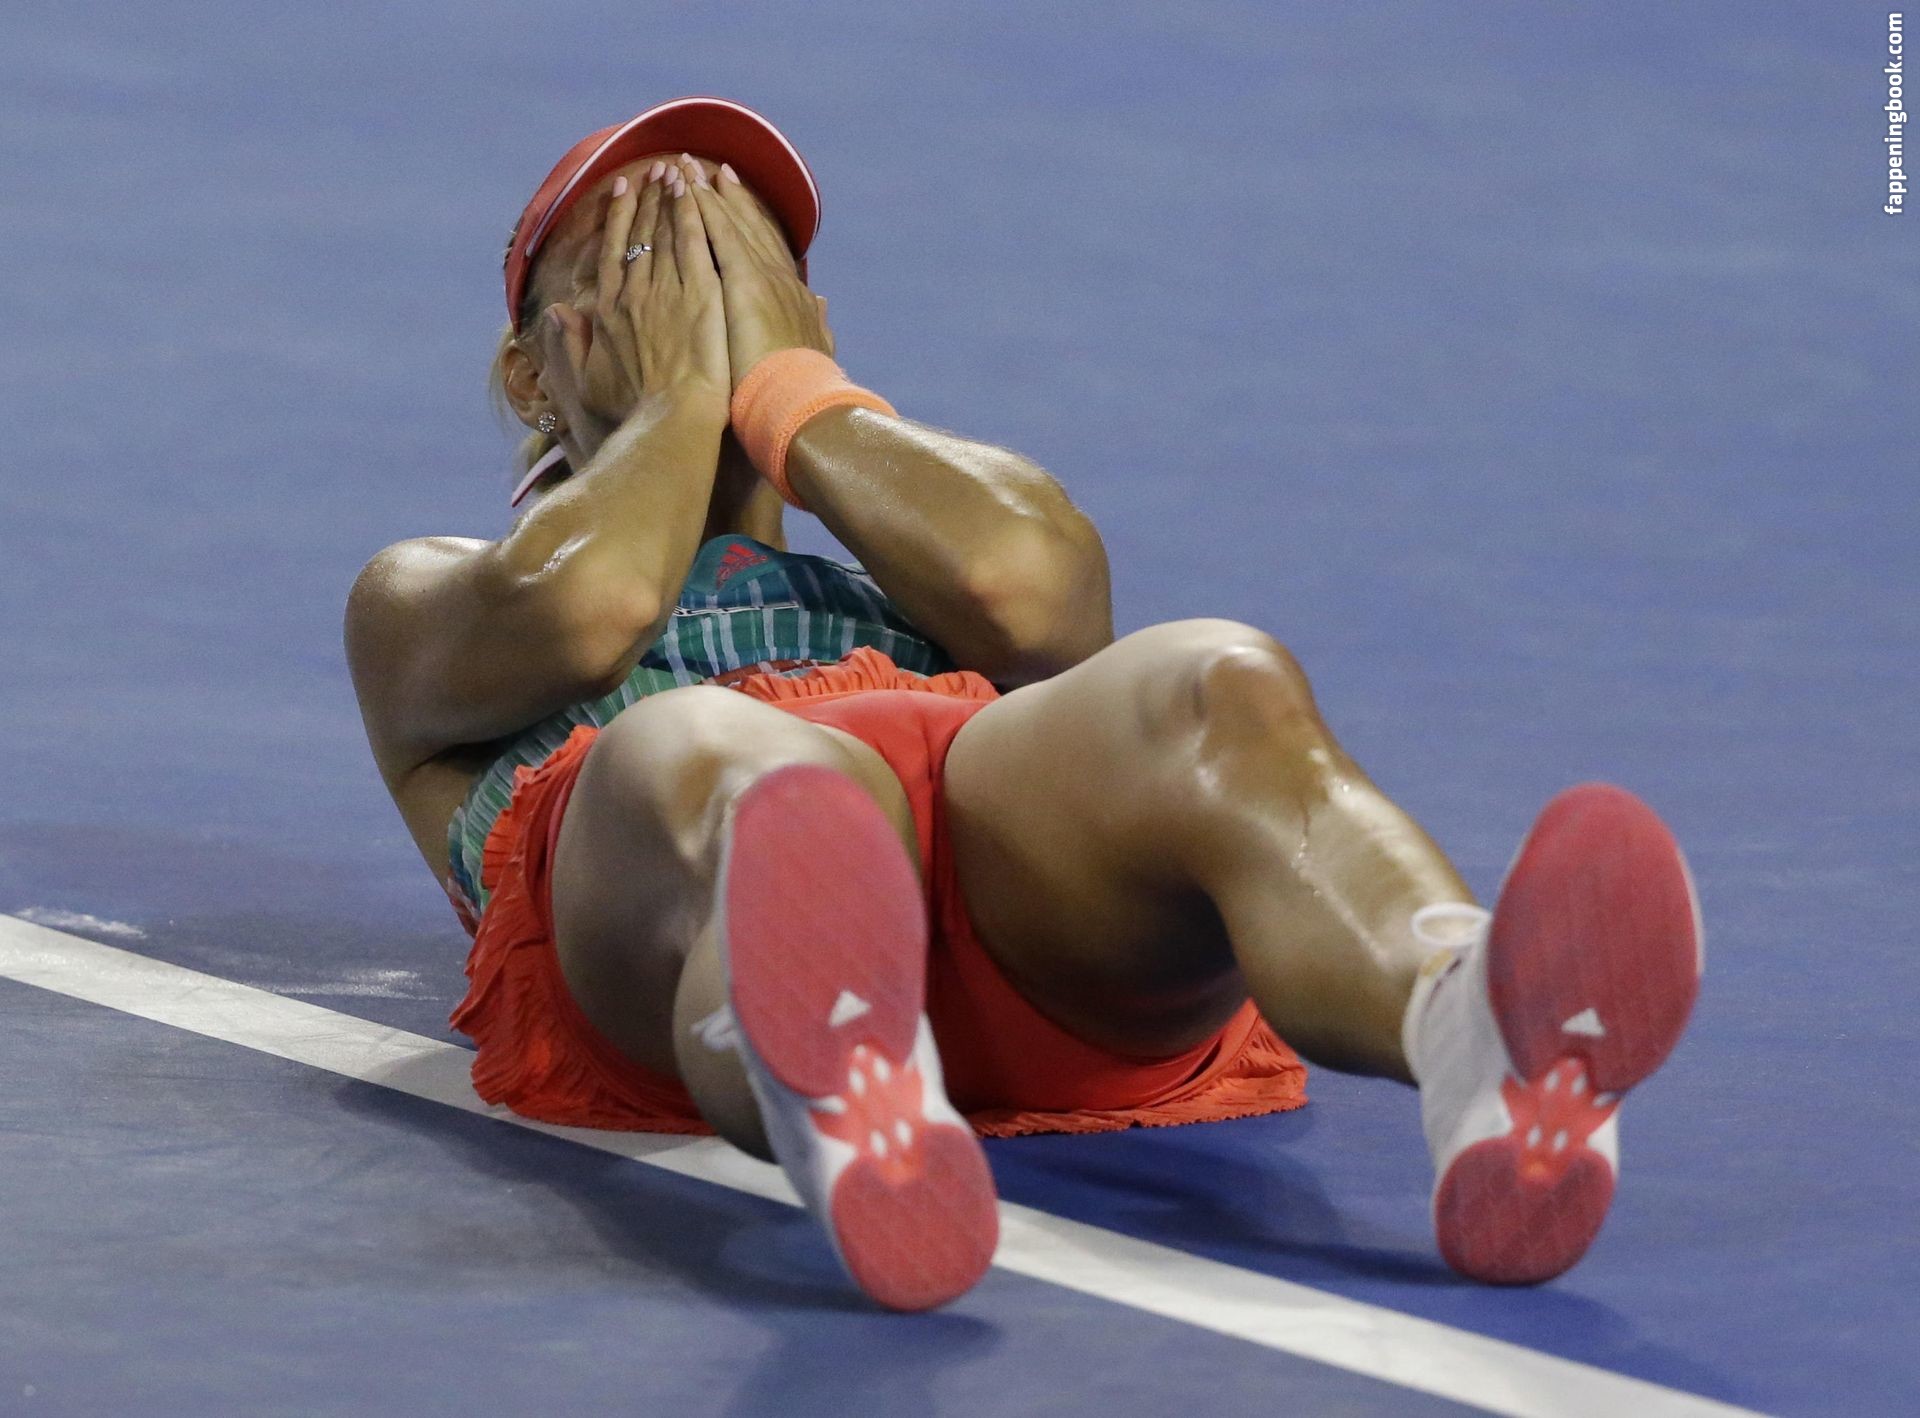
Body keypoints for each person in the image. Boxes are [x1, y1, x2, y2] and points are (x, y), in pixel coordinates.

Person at [343, 98, 1703, 1312]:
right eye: (641, 259)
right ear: (530, 373)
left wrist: (786, 390)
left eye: (733, 258)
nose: (694, 286)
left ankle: (1479, 1027)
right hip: (671, 905)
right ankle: (845, 1095)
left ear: (805, 322)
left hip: (1003, 906)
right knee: (725, 761)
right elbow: (595, 602)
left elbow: (1035, 590)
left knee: (1212, 681)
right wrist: (686, 390)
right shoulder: (422, 594)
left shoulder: (914, 561)